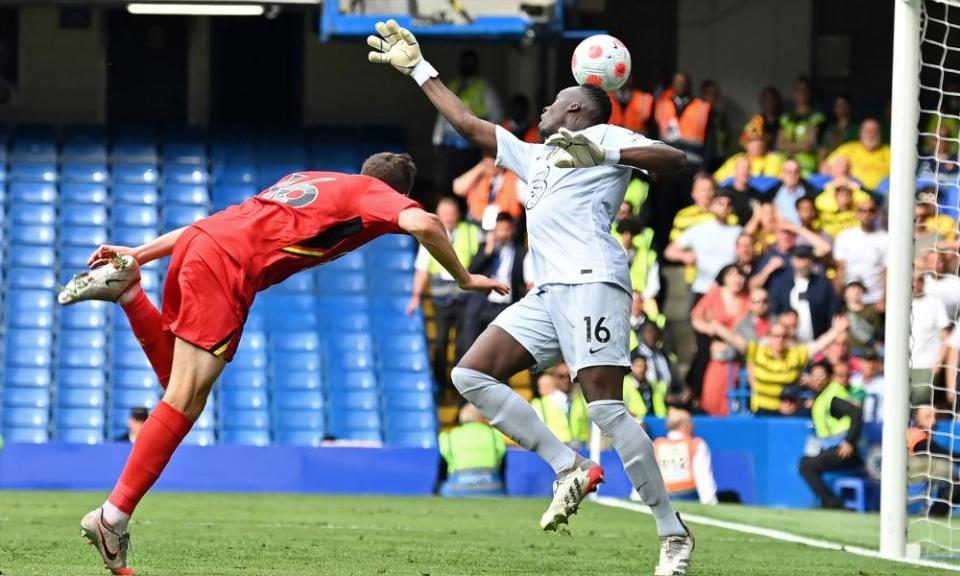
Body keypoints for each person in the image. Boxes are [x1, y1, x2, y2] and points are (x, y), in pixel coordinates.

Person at [62, 151, 509, 574]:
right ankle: (112, 518)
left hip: (199, 244)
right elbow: (425, 222)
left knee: (177, 389)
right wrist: (463, 277)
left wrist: (139, 253)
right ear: (396, 191)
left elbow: (214, 224)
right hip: (227, 267)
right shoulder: (373, 194)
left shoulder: (307, 179)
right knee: (184, 399)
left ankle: (130, 291)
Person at [367, 20, 694, 571]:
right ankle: (569, 467)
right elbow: (468, 123)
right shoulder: (533, 156)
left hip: (593, 281)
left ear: (575, 109)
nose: (543, 108)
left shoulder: (608, 138)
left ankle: (672, 533)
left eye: (554, 101)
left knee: (608, 408)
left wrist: (605, 154)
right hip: (548, 294)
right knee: (470, 374)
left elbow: (676, 160)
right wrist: (419, 69)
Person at [408, 197, 482, 392]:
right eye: (445, 214)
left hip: (466, 298)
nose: (449, 217)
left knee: (463, 344)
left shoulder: (472, 232)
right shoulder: (430, 234)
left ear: (457, 214)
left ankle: (459, 384)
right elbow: (422, 269)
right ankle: (441, 384)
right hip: (441, 300)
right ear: (438, 216)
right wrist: (416, 296)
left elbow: (483, 259)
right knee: (440, 343)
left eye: (452, 213)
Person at [709, 316, 849, 415]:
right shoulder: (757, 351)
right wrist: (716, 325)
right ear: (769, 337)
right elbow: (735, 339)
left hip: (788, 410)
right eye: (776, 336)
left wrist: (836, 331)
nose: (780, 340)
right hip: (761, 409)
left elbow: (818, 345)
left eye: (783, 336)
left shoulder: (795, 354)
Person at [432, 49, 503, 196]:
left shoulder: (483, 87)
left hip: (471, 145)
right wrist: (437, 139)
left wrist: (487, 139)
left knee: (469, 185)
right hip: (449, 144)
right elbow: (442, 115)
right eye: (464, 62)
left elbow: (497, 116)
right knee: (445, 184)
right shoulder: (453, 85)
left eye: (470, 62)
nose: (466, 65)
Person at [798, 360, 864, 509]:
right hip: (832, 446)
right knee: (806, 462)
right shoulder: (822, 396)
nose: (817, 380)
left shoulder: (833, 396)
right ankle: (830, 501)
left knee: (806, 466)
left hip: (847, 450)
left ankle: (833, 502)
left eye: (821, 376)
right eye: (814, 376)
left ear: (829, 377)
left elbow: (856, 413)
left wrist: (849, 442)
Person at [691, 265, 750, 417]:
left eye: (740, 275)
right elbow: (696, 317)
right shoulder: (715, 294)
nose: (737, 279)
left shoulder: (747, 299)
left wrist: (718, 328)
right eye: (733, 275)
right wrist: (710, 330)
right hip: (718, 355)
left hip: (739, 356)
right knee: (713, 393)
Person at [665, 191, 742, 307]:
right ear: (712, 206)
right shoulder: (699, 230)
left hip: (729, 291)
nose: (725, 207)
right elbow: (669, 252)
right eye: (720, 203)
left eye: (728, 204)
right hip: (702, 288)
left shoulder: (738, 232)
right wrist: (684, 256)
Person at [461, 213, 528, 348]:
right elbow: (471, 271)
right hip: (483, 304)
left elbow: (523, 281)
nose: (503, 234)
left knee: (498, 348)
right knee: (471, 346)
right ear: (494, 230)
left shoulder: (521, 252)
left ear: (513, 230)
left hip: (506, 306)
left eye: (506, 229)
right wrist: (488, 251)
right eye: (500, 229)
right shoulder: (486, 247)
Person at [769, 245, 840, 342]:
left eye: (807, 259)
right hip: (788, 343)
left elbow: (832, 312)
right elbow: (775, 311)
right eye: (800, 258)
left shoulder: (823, 284)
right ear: (792, 260)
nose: (803, 263)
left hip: (818, 341)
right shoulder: (781, 284)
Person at [438, 403, 507, 497]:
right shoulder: (494, 435)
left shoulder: (449, 437)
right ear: (481, 418)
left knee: (442, 488)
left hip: (457, 490)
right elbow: (502, 467)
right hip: (492, 489)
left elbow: (442, 471)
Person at [653, 409, 719, 505]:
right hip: (688, 495)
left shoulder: (656, 445)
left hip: (662, 497)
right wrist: (710, 503)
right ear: (685, 425)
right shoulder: (695, 444)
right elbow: (703, 478)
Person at [833, 198, 888, 307]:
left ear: (877, 214)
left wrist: (884, 299)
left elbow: (887, 271)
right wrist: (836, 298)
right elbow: (840, 269)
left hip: (875, 300)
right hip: (848, 299)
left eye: (871, 211)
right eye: (862, 211)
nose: (867, 214)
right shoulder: (845, 236)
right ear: (856, 214)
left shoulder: (885, 238)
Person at [654, 71, 713, 170]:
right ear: (672, 84)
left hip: (691, 166)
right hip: (666, 164)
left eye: (683, 82)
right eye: (677, 82)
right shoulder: (662, 105)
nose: (680, 85)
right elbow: (655, 135)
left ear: (688, 85)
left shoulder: (702, 108)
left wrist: (703, 168)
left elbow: (710, 142)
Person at [910, 270, 951, 406]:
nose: (915, 284)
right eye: (912, 280)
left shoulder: (934, 303)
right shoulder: (899, 304)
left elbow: (945, 337)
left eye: (919, 280)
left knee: (922, 402)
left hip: (927, 365)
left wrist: (939, 362)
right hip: (904, 366)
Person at [616, 217, 662, 326]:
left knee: (653, 321)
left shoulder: (648, 255)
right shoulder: (614, 255)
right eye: (625, 233)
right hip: (619, 298)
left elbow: (654, 285)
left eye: (631, 233)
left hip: (643, 299)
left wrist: (639, 298)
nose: (628, 237)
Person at [452, 157, 522, 228]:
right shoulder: (478, 178)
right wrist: (480, 167)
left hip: (506, 225)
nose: (490, 164)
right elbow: (457, 189)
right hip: (478, 224)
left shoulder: (513, 176)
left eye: (493, 159)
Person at [777, 77, 826, 175]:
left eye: (804, 90)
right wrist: (799, 146)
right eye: (798, 90)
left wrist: (789, 146)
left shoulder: (817, 117)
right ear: (793, 93)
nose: (801, 93)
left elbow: (808, 145)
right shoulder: (785, 117)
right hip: (785, 167)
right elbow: (780, 144)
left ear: (809, 93)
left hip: (807, 168)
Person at [825, 118, 891, 191]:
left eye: (875, 131)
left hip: (882, 195)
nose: (871, 135)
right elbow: (825, 167)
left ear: (880, 134)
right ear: (860, 133)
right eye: (867, 131)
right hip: (854, 194)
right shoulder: (848, 148)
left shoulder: (890, 152)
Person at [530, 368, 590, 446]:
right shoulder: (538, 404)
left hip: (582, 449)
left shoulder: (581, 401)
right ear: (553, 378)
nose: (566, 380)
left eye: (569, 376)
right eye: (561, 376)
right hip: (555, 449)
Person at [711, 129, 782, 183]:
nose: (757, 144)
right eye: (752, 141)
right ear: (745, 145)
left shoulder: (774, 159)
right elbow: (716, 179)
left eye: (760, 140)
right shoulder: (736, 160)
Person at [623, 353, 668, 420]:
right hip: (637, 423)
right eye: (639, 366)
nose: (642, 370)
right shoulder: (624, 384)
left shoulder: (653, 386)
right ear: (632, 368)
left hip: (658, 421)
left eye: (645, 366)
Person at [772, 158, 817, 224]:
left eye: (796, 171)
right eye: (789, 172)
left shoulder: (809, 193)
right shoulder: (773, 192)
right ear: (782, 174)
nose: (792, 175)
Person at [719, 157, 762, 225]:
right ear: (735, 171)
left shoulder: (758, 195)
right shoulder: (723, 193)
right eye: (742, 169)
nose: (745, 172)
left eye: (748, 169)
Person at [841, 281, 882, 352]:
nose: (856, 292)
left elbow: (876, 333)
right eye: (853, 288)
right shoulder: (840, 310)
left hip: (867, 351)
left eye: (859, 289)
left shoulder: (871, 311)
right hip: (846, 351)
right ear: (846, 292)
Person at [741, 86, 782, 151]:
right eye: (767, 99)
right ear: (762, 102)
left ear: (777, 101)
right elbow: (744, 140)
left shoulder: (784, 121)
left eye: (772, 98)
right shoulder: (755, 121)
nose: (770, 102)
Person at [819, 95, 858, 161]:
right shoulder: (830, 129)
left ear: (849, 106)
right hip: (831, 164)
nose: (841, 108)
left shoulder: (855, 129)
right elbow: (822, 151)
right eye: (838, 105)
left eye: (843, 104)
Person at [851, 350, 884, 423]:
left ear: (879, 364)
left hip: (877, 425)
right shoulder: (853, 381)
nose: (871, 365)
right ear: (860, 363)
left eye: (874, 362)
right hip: (855, 425)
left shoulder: (886, 383)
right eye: (867, 361)